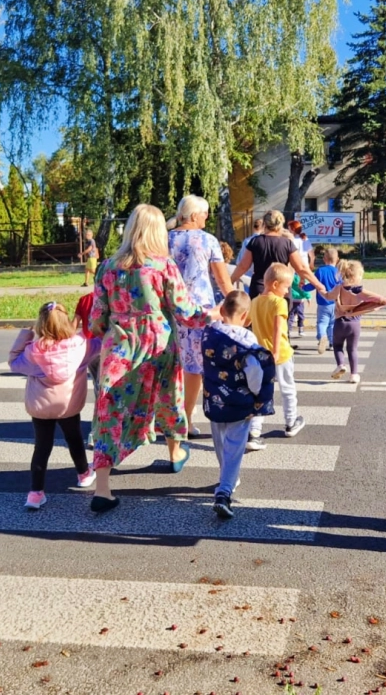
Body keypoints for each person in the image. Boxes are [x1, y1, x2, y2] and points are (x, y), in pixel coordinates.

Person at [89, 204, 220, 512]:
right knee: (168, 398)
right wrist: (213, 315)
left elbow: (96, 319)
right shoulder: (163, 266)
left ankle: (102, 489)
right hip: (159, 344)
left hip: (119, 349)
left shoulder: (107, 267)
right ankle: (175, 454)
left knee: (108, 411)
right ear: (158, 231)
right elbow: (186, 312)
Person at [9, 302, 102, 510]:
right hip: (68, 405)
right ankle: (84, 474)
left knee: (42, 447)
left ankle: (35, 494)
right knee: (75, 439)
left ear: (40, 325)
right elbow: (101, 342)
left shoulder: (34, 351)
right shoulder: (81, 345)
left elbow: (13, 362)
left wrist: (26, 335)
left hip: (41, 408)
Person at [202, 291, 276, 518]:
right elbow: (254, 372)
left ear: (222, 311)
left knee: (220, 443)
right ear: (246, 317)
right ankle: (224, 492)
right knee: (235, 447)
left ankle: (228, 477)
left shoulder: (210, 334)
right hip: (239, 403)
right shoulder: (246, 340)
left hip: (214, 401)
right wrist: (256, 395)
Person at [168, 195, 233, 438]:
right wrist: (236, 306)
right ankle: (186, 419)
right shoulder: (207, 240)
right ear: (195, 215)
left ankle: (166, 416)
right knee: (197, 366)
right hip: (201, 311)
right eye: (205, 212)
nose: (207, 216)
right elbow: (222, 279)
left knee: (173, 365)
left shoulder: (164, 239)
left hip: (170, 309)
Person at [249, 263, 306, 444]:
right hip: (279, 353)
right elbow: (278, 329)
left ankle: (254, 431)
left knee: (261, 392)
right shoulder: (279, 302)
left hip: (259, 355)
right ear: (275, 284)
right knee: (288, 388)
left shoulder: (255, 301)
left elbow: (249, 324)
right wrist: (274, 351)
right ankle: (291, 422)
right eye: (286, 287)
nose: (287, 291)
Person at [326, 260, 386, 385]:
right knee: (352, 349)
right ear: (355, 276)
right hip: (354, 324)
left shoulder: (338, 288)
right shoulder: (358, 290)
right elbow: (373, 297)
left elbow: (329, 296)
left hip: (340, 323)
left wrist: (322, 291)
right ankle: (354, 375)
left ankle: (341, 365)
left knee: (337, 346)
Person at [231, 209, 325, 300]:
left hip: (259, 289)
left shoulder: (255, 241)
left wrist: (230, 281)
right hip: (281, 290)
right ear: (280, 224)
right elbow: (301, 268)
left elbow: (243, 266)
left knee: (258, 315)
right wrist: (319, 285)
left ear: (264, 224)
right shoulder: (287, 243)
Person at [73, 290, 101, 447]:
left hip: (90, 350)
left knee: (98, 388)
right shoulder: (114, 294)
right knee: (104, 391)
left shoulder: (84, 299)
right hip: (108, 347)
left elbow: (73, 326)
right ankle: (97, 432)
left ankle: (97, 431)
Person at [314, 247, 341, 353]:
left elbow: (314, 284)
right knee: (332, 324)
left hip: (322, 302)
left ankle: (322, 336)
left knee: (322, 323)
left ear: (324, 259)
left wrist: (303, 287)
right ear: (337, 259)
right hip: (335, 302)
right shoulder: (338, 272)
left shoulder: (320, 271)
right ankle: (332, 343)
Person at [288, 271, 311, 337]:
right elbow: (304, 290)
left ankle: (288, 330)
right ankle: (301, 330)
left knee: (290, 316)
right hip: (300, 301)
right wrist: (308, 297)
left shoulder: (290, 277)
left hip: (291, 299)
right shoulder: (302, 278)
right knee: (301, 316)